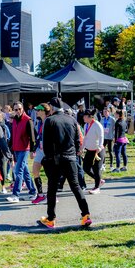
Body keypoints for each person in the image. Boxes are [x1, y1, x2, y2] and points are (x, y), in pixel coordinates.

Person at [39, 97, 92, 229]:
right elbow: (77, 140)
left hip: (56, 159)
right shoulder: (72, 119)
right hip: (70, 157)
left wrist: (48, 157)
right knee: (75, 186)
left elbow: (46, 144)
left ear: (51, 108)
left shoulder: (49, 120)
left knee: (52, 189)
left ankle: (51, 218)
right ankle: (86, 215)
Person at [7, 102, 37, 203]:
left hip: (25, 149)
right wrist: (9, 148)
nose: (18, 111)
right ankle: (33, 191)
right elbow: (12, 136)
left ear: (22, 108)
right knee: (25, 172)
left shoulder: (28, 120)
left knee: (18, 170)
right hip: (16, 149)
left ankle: (16, 194)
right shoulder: (14, 120)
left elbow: (32, 137)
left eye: (19, 109)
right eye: (16, 110)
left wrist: (33, 150)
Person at [82, 109, 105, 195]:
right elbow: (85, 138)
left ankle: (97, 187)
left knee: (96, 169)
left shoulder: (97, 125)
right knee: (86, 168)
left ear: (89, 117)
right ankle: (99, 180)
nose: (83, 117)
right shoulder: (86, 125)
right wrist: (82, 148)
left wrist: (99, 146)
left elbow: (101, 136)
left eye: (84, 116)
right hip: (89, 150)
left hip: (98, 151)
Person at [31, 104, 50, 205]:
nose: (36, 111)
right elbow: (39, 136)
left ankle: (52, 195)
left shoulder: (49, 121)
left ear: (43, 111)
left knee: (50, 174)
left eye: (38, 110)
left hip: (48, 151)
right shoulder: (39, 122)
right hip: (40, 150)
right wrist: (34, 148)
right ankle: (41, 195)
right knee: (35, 171)